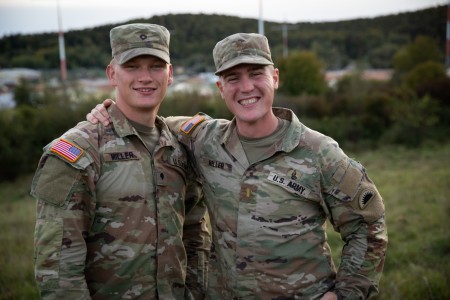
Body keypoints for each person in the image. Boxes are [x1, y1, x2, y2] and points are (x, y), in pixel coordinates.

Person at [88, 33, 388, 299]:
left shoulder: (319, 152)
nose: (246, 87)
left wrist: (344, 294)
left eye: (256, 73)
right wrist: (110, 112)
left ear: (275, 78)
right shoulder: (203, 139)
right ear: (220, 87)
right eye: (233, 78)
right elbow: (154, 124)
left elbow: (369, 227)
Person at [31, 23, 210, 300]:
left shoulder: (179, 147)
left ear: (170, 74)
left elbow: (196, 234)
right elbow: (57, 267)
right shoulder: (79, 150)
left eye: (155, 66)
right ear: (112, 73)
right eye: (133, 66)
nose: (145, 77)